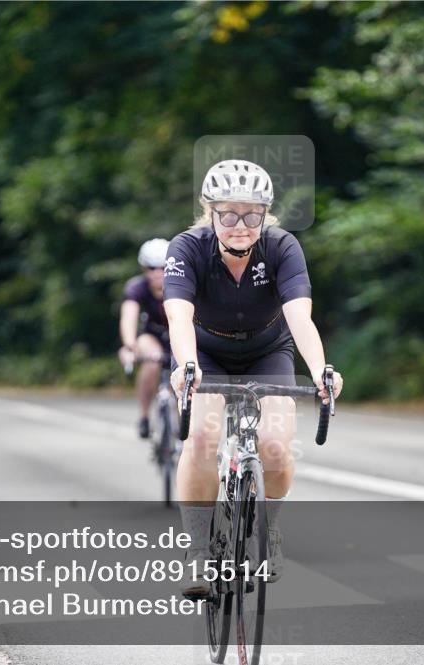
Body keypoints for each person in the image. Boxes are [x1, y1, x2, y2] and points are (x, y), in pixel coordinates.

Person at [164, 159, 343, 596]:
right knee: (203, 440)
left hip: (267, 350)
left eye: (252, 214)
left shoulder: (282, 248)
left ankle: (271, 530)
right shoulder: (186, 248)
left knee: (277, 447)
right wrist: (186, 365)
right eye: (229, 214)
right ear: (210, 213)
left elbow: (299, 316)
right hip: (207, 352)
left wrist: (320, 368)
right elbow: (178, 315)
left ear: (266, 215)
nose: (240, 225)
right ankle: (199, 550)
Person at [118, 238, 171, 439]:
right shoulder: (136, 288)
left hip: (179, 335)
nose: (157, 273)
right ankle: (144, 416)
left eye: (163, 267)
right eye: (151, 268)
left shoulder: (183, 284)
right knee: (151, 361)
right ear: (143, 268)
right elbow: (128, 318)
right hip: (152, 336)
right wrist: (129, 345)